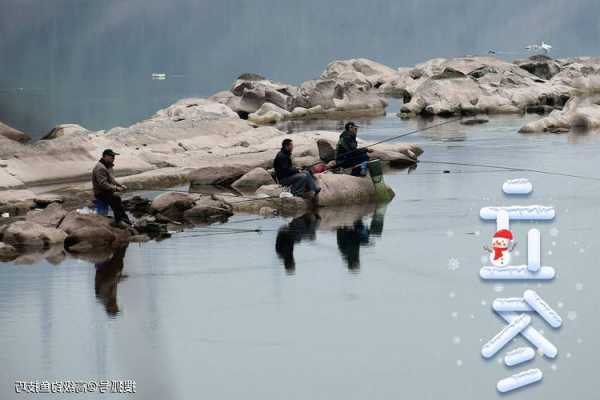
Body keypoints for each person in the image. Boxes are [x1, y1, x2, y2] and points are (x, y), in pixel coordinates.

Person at [92, 149, 131, 227]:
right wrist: (116, 188)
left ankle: (124, 220)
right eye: (111, 156)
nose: (113, 158)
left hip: (106, 191)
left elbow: (111, 180)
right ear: (105, 156)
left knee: (117, 201)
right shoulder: (100, 168)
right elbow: (103, 184)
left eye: (114, 156)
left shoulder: (108, 166)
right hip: (101, 193)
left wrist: (120, 185)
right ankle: (118, 221)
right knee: (116, 199)